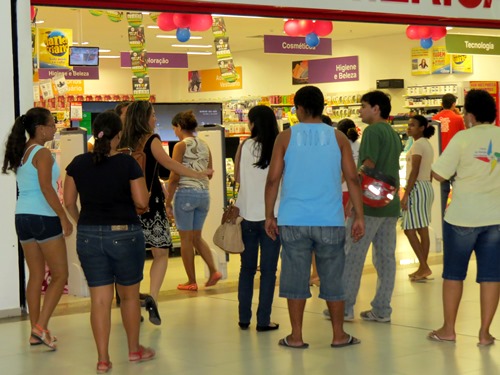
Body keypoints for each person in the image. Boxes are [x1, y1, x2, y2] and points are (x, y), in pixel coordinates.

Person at [265, 86, 365, 349]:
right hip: (330, 219)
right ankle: (339, 335)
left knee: (295, 277)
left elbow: (273, 179)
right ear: (322, 107)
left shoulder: (285, 138)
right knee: (333, 277)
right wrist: (359, 216)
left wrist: (269, 216)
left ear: (298, 108)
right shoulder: (339, 138)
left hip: (293, 219)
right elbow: (353, 179)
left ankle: (296, 337)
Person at [64, 111, 155, 373]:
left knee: (100, 301)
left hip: (89, 237)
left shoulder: (77, 163)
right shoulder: (127, 164)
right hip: (125, 234)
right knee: (128, 297)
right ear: (118, 136)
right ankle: (135, 350)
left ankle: (103, 359)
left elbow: (69, 202)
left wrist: (84, 221)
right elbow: (142, 202)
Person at [119, 101, 212, 326]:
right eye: (152, 115)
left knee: (132, 257)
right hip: (151, 204)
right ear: (144, 118)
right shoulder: (152, 140)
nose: (155, 119)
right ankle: (153, 298)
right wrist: (198, 174)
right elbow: (169, 164)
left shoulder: (122, 142)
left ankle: (131, 302)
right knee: (160, 254)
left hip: (127, 206)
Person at [429, 89, 500, 346]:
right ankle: (484, 333)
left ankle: (449, 329)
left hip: (461, 217)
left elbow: (438, 174)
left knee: (454, 274)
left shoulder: (462, 138)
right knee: (492, 276)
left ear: (469, 114)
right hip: (496, 218)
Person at [2, 107, 72, 351]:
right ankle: (41, 328)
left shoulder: (22, 151)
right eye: (52, 124)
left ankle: (36, 331)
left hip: (22, 217)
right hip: (43, 217)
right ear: (41, 129)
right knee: (60, 274)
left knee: (35, 274)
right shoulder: (42, 153)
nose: (54, 128)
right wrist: (63, 216)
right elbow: (47, 188)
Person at [342, 90, 402, 323]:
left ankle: (346, 307)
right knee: (386, 257)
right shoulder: (392, 133)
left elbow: (366, 167)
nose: (360, 110)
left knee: (353, 255)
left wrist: (354, 203)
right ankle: (382, 309)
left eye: (364, 106)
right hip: (389, 203)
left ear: (376, 108)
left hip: (368, 205)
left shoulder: (372, 131)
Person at [233, 105, 281, 331]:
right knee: (269, 272)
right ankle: (264, 321)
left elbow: (238, 178)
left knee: (247, 270)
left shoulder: (245, 145)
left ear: (252, 124)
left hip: (247, 217)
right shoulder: (280, 146)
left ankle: (244, 318)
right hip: (273, 216)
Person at [164, 110, 221, 291]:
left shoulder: (180, 146)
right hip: (204, 195)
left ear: (179, 126)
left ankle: (191, 281)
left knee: (186, 240)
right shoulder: (205, 145)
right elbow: (210, 174)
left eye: (174, 128)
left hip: (186, 195)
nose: (174, 132)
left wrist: (168, 201)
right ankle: (213, 271)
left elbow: (174, 176)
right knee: (197, 237)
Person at [401, 115, 435, 281]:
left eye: (413, 125)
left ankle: (424, 266)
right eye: (408, 125)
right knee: (422, 227)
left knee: (408, 228)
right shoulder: (425, 144)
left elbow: (414, 170)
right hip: (426, 186)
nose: (409, 128)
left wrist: (406, 193)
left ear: (422, 128)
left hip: (416, 187)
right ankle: (423, 267)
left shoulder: (418, 145)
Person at [310, 114, 335, 287]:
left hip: (316, 201)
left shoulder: (313, 148)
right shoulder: (335, 146)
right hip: (328, 201)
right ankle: (320, 274)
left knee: (315, 241)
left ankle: (317, 274)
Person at [431, 94, 466, 214]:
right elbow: (463, 137)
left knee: (442, 191)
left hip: (439, 160)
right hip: (455, 160)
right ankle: (457, 215)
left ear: (441, 104)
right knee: (458, 189)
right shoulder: (458, 119)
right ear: (453, 104)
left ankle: (440, 218)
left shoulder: (434, 119)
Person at [337, 118, 361, 214]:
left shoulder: (342, 146)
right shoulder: (361, 145)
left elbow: (344, 172)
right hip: (357, 191)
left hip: (343, 189)